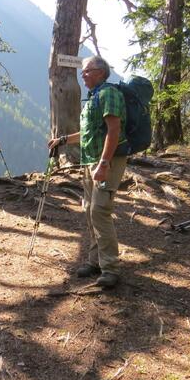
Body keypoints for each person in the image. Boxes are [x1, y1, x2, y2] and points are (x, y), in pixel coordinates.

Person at [48, 55, 127, 287]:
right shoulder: (93, 97)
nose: (82, 74)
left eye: (87, 71)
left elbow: (114, 130)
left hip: (106, 162)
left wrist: (104, 163)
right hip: (90, 161)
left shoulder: (108, 94)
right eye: (82, 71)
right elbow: (88, 133)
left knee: (99, 211)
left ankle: (110, 268)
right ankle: (95, 261)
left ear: (100, 72)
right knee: (89, 211)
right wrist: (63, 140)